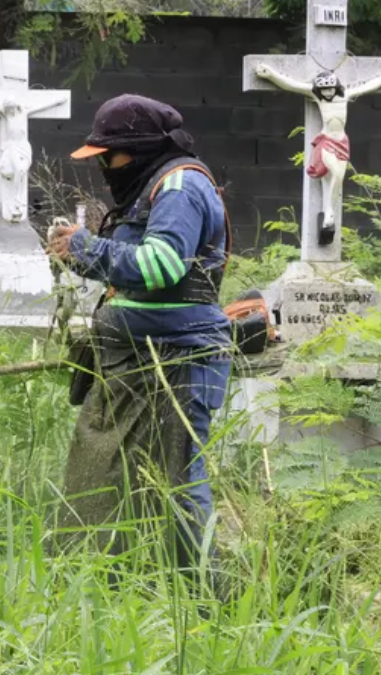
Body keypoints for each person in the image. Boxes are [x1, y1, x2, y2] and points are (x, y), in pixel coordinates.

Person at [47, 94, 232, 590]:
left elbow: (160, 266)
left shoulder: (179, 186)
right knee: (104, 477)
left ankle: (201, 600)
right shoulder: (154, 186)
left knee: (177, 485)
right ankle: (106, 587)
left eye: (110, 156)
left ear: (138, 148)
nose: (105, 166)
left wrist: (85, 247)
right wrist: (81, 254)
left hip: (177, 361)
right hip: (133, 360)